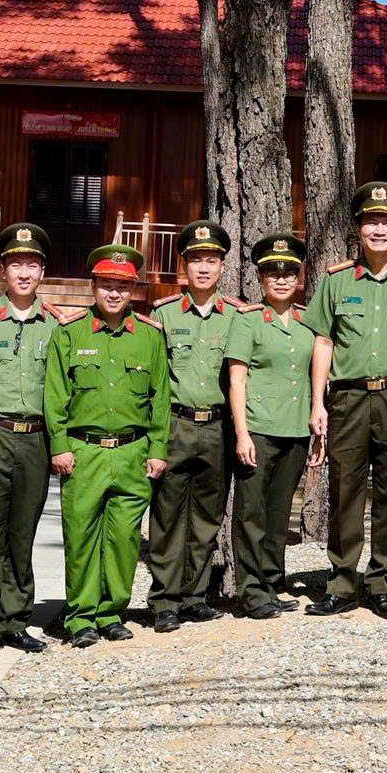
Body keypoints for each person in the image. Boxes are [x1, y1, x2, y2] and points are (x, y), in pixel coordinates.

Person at [305, 181, 387, 619]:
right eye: (371, 221)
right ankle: (343, 582)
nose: (379, 229)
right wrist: (317, 402)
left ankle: (382, 580)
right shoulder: (336, 281)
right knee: (345, 490)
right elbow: (323, 342)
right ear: (359, 228)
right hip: (347, 399)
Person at [45, 243, 169, 647]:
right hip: (84, 452)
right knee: (80, 536)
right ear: (93, 287)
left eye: (123, 286)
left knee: (123, 539)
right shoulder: (69, 332)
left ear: (133, 290)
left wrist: (157, 449)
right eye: (106, 285)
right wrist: (59, 445)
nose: (114, 294)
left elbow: (160, 397)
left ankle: (111, 612)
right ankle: (80, 616)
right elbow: (55, 394)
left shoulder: (149, 336)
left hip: (133, 452)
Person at [0, 222, 70, 663]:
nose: (23, 273)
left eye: (31, 264)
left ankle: (17, 618)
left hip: (37, 439)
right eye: (15, 264)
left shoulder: (59, 326)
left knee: (23, 532)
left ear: (42, 270)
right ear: (2, 271)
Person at [225, 233, 322, 620]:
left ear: (298, 278)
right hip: (259, 430)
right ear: (261, 279)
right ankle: (249, 591)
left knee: (279, 512)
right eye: (272, 273)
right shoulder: (247, 321)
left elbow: (317, 376)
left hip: (296, 430)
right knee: (250, 512)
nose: (281, 280)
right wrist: (242, 433)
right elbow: (237, 380)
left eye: (289, 273)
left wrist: (317, 429)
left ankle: (270, 582)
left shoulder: (307, 323)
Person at [147, 219, 236, 632]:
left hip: (218, 428)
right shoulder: (163, 314)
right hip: (176, 425)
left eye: (212, 260)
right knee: (167, 517)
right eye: (196, 260)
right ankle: (164, 599)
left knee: (206, 518)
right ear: (184, 265)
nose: (204, 267)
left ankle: (194, 596)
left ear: (222, 267)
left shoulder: (236, 316)